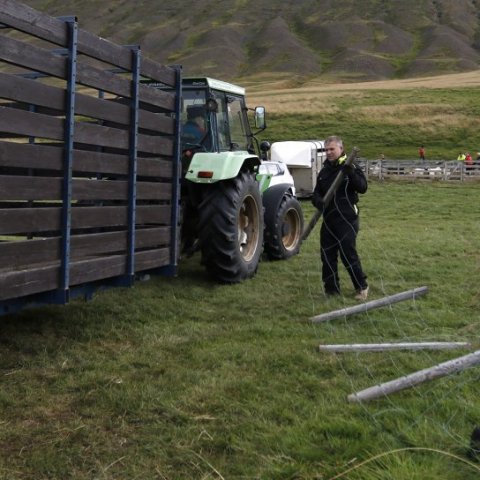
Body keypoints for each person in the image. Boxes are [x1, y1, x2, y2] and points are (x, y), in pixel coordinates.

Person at [312, 136, 369, 300]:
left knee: (347, 253)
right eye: (326, 150)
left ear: (341, 149)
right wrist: (318, 201)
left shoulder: (350, 166)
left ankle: (361, 287)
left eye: (332, 149)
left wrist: (351, 174)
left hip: (347, 219)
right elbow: (317, 192)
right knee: (327, 255)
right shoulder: (324, 171)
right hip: (329, 220)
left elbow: (363, 187)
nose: (329, 152)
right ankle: (331, 290)